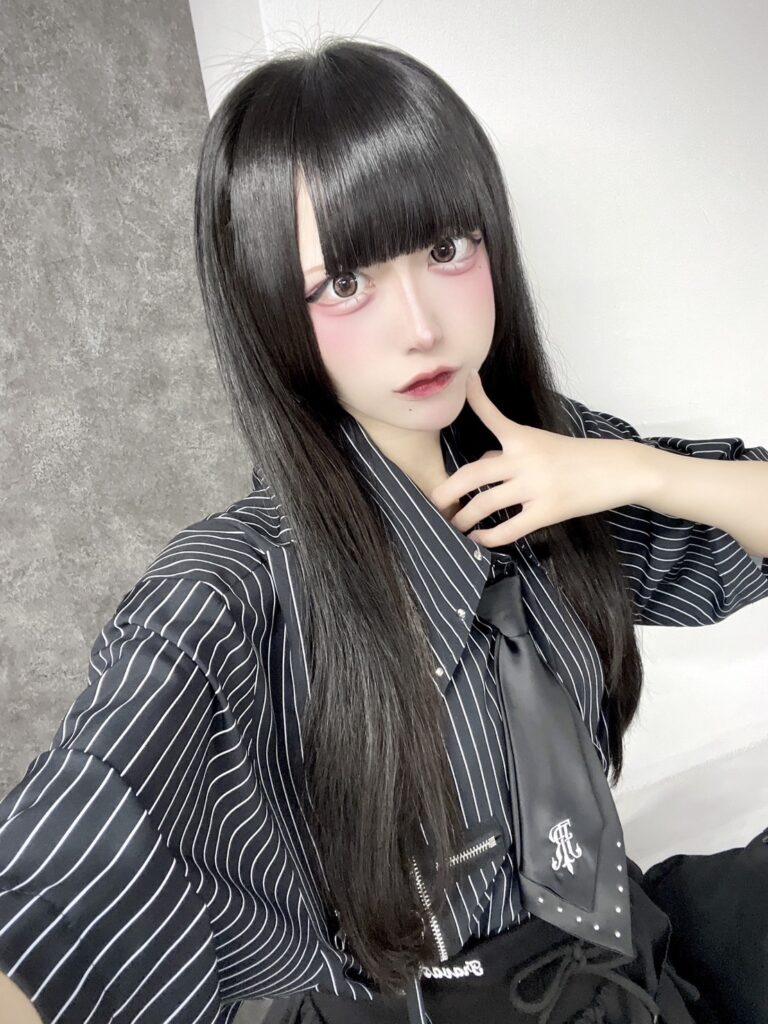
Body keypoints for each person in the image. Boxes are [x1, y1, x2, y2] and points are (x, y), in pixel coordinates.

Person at [1, 35, 767, 1024]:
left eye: (446, 250)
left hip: (625, 953)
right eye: (346, 284)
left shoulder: (551, 460)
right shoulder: (227, 599)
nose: (421, 326)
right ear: (271, 304)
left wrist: (641, 471)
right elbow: (61, 894)